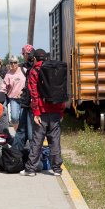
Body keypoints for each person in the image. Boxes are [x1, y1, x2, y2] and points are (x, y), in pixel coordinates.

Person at [20, 49, 66, 177]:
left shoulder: (35, 71)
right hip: (56, 109)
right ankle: (57, 169)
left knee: (37, 140)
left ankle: (30, 169)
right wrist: (61, 111)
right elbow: (61, 90)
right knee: (55, 141)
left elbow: (34, 94)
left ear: (34, 59)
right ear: (46, 58)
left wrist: (36, 112)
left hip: (41, 111)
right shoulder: (55, 69)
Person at [12, 45, 35, 152]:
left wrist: (29, 99)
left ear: (26, 54)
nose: (23, 56)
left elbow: (33, 86)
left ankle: (33, 157)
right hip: (27, 103)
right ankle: (17, 153)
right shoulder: (30, 66)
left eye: (23, 54)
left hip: (30, 104)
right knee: (22, 129)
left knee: (30, 133)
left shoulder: (32, 68)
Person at [0, 55, 25, 131]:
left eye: (15, 62)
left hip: (24, 99)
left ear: (18, 63)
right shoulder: (8, 74)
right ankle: (18, 132)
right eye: (11, 63)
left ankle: (22, 134)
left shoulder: (24, 70)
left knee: (23, 117)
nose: (13, 64)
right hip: (13, 99)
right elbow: (3, 87)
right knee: (14, 117)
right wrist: (0, 95)